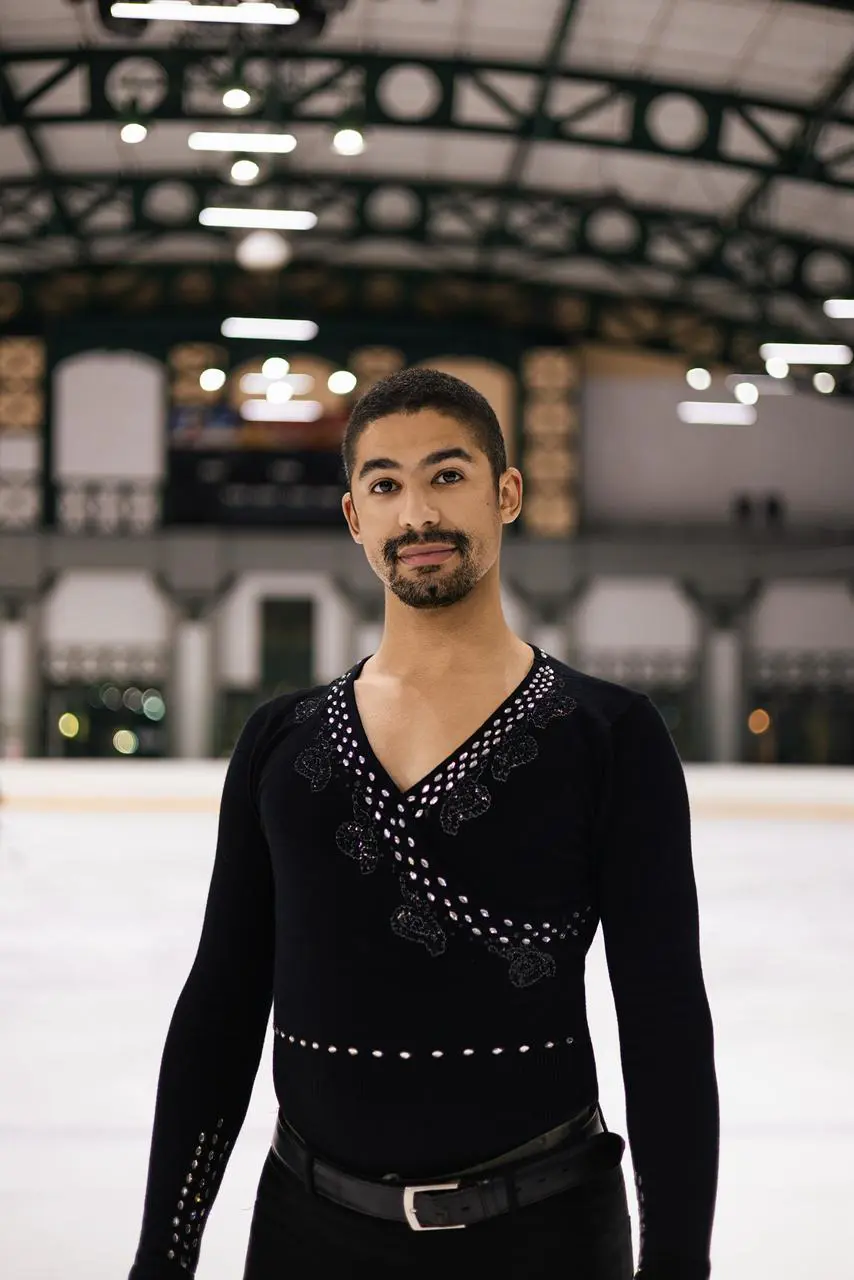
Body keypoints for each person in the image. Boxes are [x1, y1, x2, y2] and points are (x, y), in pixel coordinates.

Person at [128, 368, 719, 1279]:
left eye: (447, 476)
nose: (418, 516)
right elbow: (221, 1004)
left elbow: (665, 1018)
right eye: (386, 484)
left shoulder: (609, 735)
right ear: (354, 515)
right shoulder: (280, 742)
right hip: (304, 1236)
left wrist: (677, 1263)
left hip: (545, 1236)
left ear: (506, 493)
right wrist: (163, 1256)